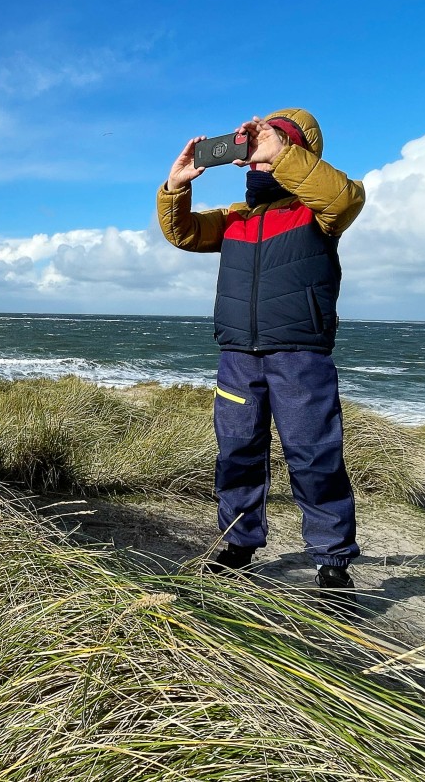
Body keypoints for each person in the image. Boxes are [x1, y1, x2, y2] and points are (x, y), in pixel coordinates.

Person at [156, 108, 366, 605]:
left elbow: (344, 196)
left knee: (315, 457)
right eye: (254, 143)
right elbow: (183, 233)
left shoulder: (319, 210)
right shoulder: (235, 217)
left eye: (270, 141)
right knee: (237, 453)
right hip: (237, 356)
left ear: (297, 151)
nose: (255, 150)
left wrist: (283, 153)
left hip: (299, 355)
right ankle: (237, 543)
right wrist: (176, 186)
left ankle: (332, 560)